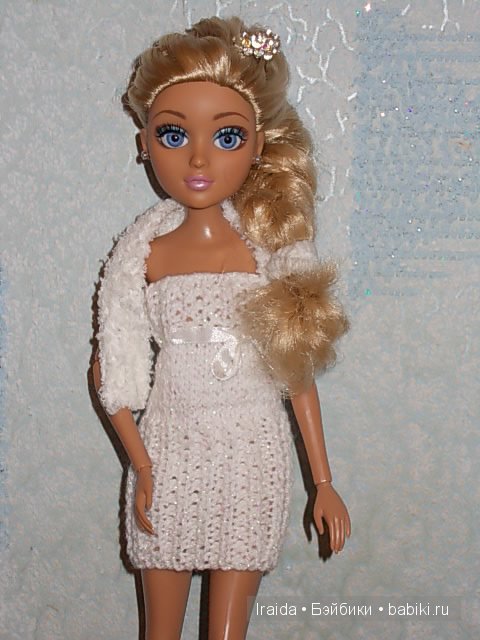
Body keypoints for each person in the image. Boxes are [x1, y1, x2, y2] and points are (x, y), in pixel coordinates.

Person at [92, 16, 351, 640]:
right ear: (144, 143)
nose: (199, 158)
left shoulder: (271, 250)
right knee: (160, 630)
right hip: (167, 454)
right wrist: (142, 466)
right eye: (173, 133)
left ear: (259, 144)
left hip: (251, 456)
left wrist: (323, 481)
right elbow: (112, 368)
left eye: (227, 135)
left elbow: (296, 373)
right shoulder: (142, 253)